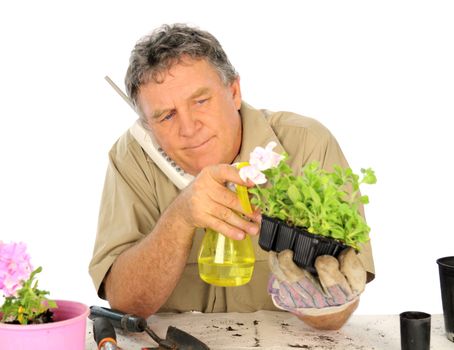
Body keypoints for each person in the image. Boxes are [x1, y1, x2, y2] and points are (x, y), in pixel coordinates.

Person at [89, 23, 375, 328]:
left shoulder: (307, 144)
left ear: (234, 92)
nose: (188, 128)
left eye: (200, 101)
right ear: (147, 124)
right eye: (166, 115)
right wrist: (180, 217)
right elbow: (125, 302)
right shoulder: (132, 157)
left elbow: (334, 320)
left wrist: (327, 306)